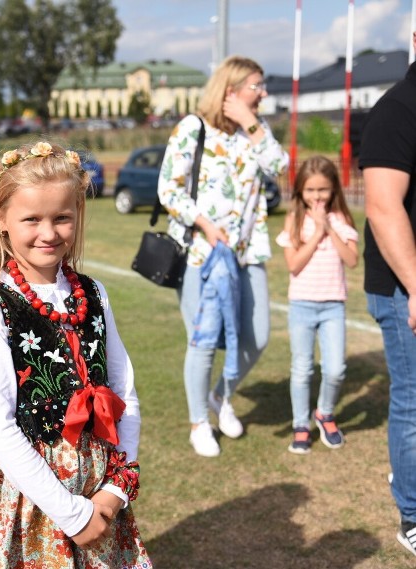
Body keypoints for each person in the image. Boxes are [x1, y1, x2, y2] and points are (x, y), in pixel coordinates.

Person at [0, 142, 151, 568]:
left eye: (62, 217)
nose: (49, 232)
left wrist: (115, 490)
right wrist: (72, 514)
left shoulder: (93, 293)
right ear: (0, 219)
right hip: (28, 499)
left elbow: (124, 393)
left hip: (98, 486)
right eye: (31, 219)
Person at [157, 55, 288, 457]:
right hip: (203, 254)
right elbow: (169, 189)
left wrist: (250, 124)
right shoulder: (192, 128)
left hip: (248, 254)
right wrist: (205, 225)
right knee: (203, 340)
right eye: (256, 86)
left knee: (259, 336)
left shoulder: (255, 130)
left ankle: (219, 396)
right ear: (231, 90)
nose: (263, 93)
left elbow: (279, 166)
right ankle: (199, 421)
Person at [360, 31, 416, 558]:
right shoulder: (398, 109)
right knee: (414, 401)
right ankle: (414, 514)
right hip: (405, 289)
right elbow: (382, 206)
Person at [275, 156, 358, 455]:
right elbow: (294, 265)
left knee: (336, 369)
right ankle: (300, 424)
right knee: (302, 369)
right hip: (302, 306)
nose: (317, 196)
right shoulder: (294, 220)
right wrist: (316, 234)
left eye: (323, 190)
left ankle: (324, 412)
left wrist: (330, 229)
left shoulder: (341, 220)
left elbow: (351, 260)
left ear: (334, 188)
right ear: (300, 191)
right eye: (310, 190)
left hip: (333, 306)